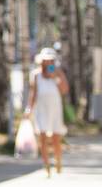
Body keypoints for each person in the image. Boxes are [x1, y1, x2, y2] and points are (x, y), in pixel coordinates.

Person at [26, 47, 69, 177]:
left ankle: (58, 162)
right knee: (43, 137)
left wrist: (55, 77)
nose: (48, 63)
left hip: (55, 108)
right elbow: (33, 93)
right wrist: (29, 109)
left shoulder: (57, 73)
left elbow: (64, 90)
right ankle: (46, 167)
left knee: (56, 138)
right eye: (46, 60)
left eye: (50, 60)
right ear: (42, 61)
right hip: (41, 108)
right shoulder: (36, 74)